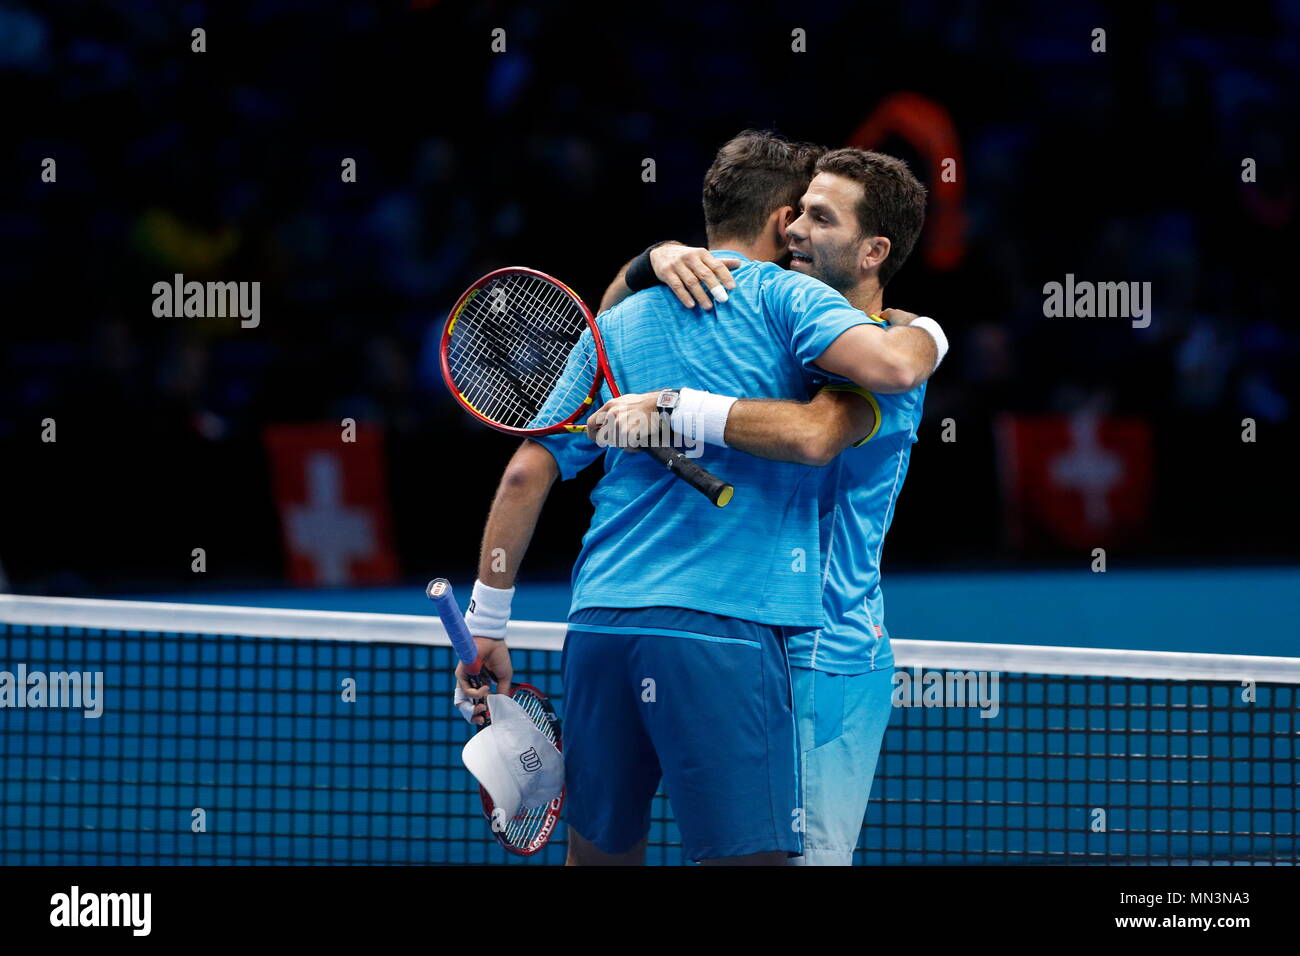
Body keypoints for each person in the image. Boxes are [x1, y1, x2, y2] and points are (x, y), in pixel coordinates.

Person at [452, 131, 943, 865]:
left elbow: (824, 426)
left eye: (824, 218)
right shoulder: (783, 305)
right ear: (780, 222)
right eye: (801, 213)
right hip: (741, 633)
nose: (804, 230)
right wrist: (647, 260)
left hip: (803, 652)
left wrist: (674, 405)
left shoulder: (640, 322)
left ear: (874, 251)